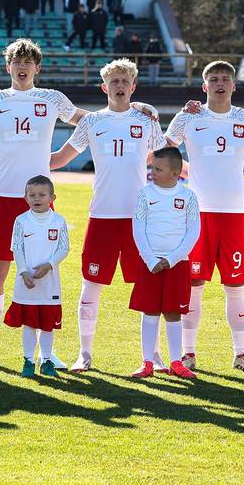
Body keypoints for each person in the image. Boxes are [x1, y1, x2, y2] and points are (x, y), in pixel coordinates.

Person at [0, 39, 89, 370]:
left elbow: (90, 121)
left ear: (37, 68)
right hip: (2, 197)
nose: (22, 65)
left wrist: (134, 112)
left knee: (44, 275)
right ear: (8, 67)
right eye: (16, 60)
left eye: (28, 61)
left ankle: (48, 352)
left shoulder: (51, 99)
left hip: (39, 202)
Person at [47, 58, 163, 372]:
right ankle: (84, 354)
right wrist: (24, 159)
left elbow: (163, 158)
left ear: (133, 86)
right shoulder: (92, 122)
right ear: (105, 87)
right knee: (91, 285)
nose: (120, 86)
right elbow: (61, 157)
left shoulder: (147, 121)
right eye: (115, 82)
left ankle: (153, 355)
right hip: (102, 216)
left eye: (125, 81)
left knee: (148, 286)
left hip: (140, 218)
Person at [165, 61, 244, 372]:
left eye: (225, 79)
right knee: (193, 284)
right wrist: (185, 172)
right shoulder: (188, 118)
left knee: (235, 286)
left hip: (235, 215)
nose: (220, 83)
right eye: (214, 79)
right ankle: (188, 352)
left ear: (234, 86)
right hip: (198, 216)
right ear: (204, 85)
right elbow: (162, 151)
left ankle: (240, 354)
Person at [129, 147, 200, 379]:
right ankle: (147, 362)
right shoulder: (144, 194)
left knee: (173, 313)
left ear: (175, 173)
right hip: (150, 263)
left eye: (158, 169)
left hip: (176, 264)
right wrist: (150, 259)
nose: (153, 172)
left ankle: (176, 362)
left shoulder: (188, 197)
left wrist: (171, 259)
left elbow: (193, 232)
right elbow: (138, 228)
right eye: (152, 168)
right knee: (149, 312)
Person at [6, 175, 69, 377]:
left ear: (52, 197)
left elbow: (64, 248)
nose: (37, 198)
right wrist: (23, 272)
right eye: (32, 195)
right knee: (30, 324)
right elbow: (17, 248)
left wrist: (49, 265)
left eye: (42, 194)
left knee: (47, 325)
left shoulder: (59, 221)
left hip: (49, 284)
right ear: (25, 198)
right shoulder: (21, 221)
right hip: (27, 283)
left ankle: (47, 361)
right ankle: (28, 361)